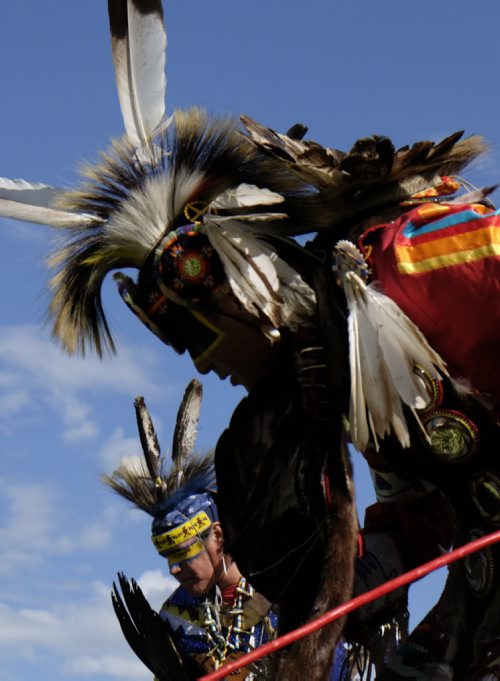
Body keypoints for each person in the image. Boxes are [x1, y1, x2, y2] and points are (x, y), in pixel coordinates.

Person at [1, 1, 499, 679]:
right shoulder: (343, 372)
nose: (207, 364)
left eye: (198, 337)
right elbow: (424, 507)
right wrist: (356, 576)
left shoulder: (408, 260)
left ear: (233, 290)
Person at [103, 381, 278, 680]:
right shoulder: (175, 616)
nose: (173, 569)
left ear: (218, 538)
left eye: (182, 554)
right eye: (166, 557)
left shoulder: (281, 593)